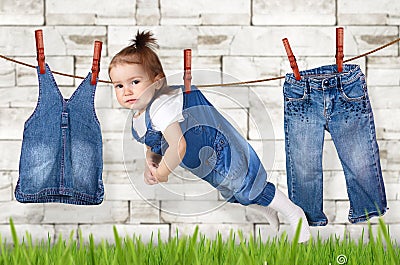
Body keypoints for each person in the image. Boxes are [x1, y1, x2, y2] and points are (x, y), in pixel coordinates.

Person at [108, 30, 311, 242]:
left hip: (215, 144)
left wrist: (163, 173)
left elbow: (178, 146)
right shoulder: (138, 115)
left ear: (157, 82)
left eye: (135, 82)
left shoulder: (161, 107)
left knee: (241, 180)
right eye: (119, 85)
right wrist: (151, 160)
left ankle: (294, 213)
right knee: (230, 188)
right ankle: (267, 208)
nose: (127, 91)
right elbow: (154, 142)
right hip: (202, 160)